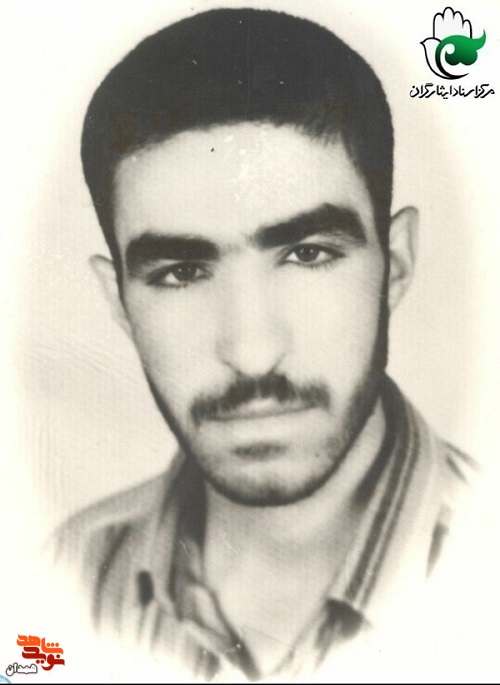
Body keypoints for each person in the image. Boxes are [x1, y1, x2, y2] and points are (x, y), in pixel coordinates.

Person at [52, 7, 476, 681]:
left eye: (308, 254)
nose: (251, 353)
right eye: (181, 272)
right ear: (119, 301)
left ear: (395, 265)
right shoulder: (54, 579)